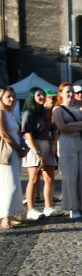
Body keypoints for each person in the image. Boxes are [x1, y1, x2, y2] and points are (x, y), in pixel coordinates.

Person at [52, 82, 82, 218]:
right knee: (70, 177)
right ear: (61, 94)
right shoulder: (58, 110)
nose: (70, 94)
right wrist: (80, 126)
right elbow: (62, 127)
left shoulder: (81, 109)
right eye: (67, 92)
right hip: (66, 143)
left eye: (72, 92)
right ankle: (73, 208)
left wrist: (72, 126)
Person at [21, 87, 58, 219]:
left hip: (46, 144)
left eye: (43, 94)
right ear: (32, 97)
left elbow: (54, 130)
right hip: (34, 145)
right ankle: (31, 209)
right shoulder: (28, 114)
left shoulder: (48, 112)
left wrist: (54, 144)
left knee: (49, 177)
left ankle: (48, 207)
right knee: (34, 177)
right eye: (38, 95)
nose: (42, 97)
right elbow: (27, 134)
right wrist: (36, 152)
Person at [1, 87, 28, 229]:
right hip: (8, 152)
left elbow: (18, 133)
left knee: (15, 183)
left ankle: (10, 214)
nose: (11, 99)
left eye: (13, 96)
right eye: (8, 97)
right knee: (9, 184)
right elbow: (4, 134)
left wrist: (23, 147)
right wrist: (19, 148)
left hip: (16, 152)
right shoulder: (1, 113)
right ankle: (4, 217)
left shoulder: (10, 114)